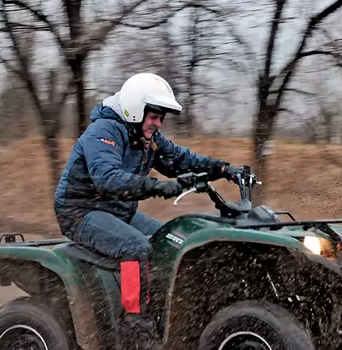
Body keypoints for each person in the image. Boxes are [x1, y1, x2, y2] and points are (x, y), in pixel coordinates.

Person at [53, 72, 241, 349]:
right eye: (154, 116)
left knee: (172, 241)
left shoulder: (147, 137)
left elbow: (182, 160)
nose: (158, 123)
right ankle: (135, 324)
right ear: (134, 109)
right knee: (135, 246)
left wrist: (224, 169)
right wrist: (160, 186)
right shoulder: (103, 132)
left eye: (161, 117)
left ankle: (165, 310)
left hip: (119, 212)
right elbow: (108, 178)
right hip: (80, 212)